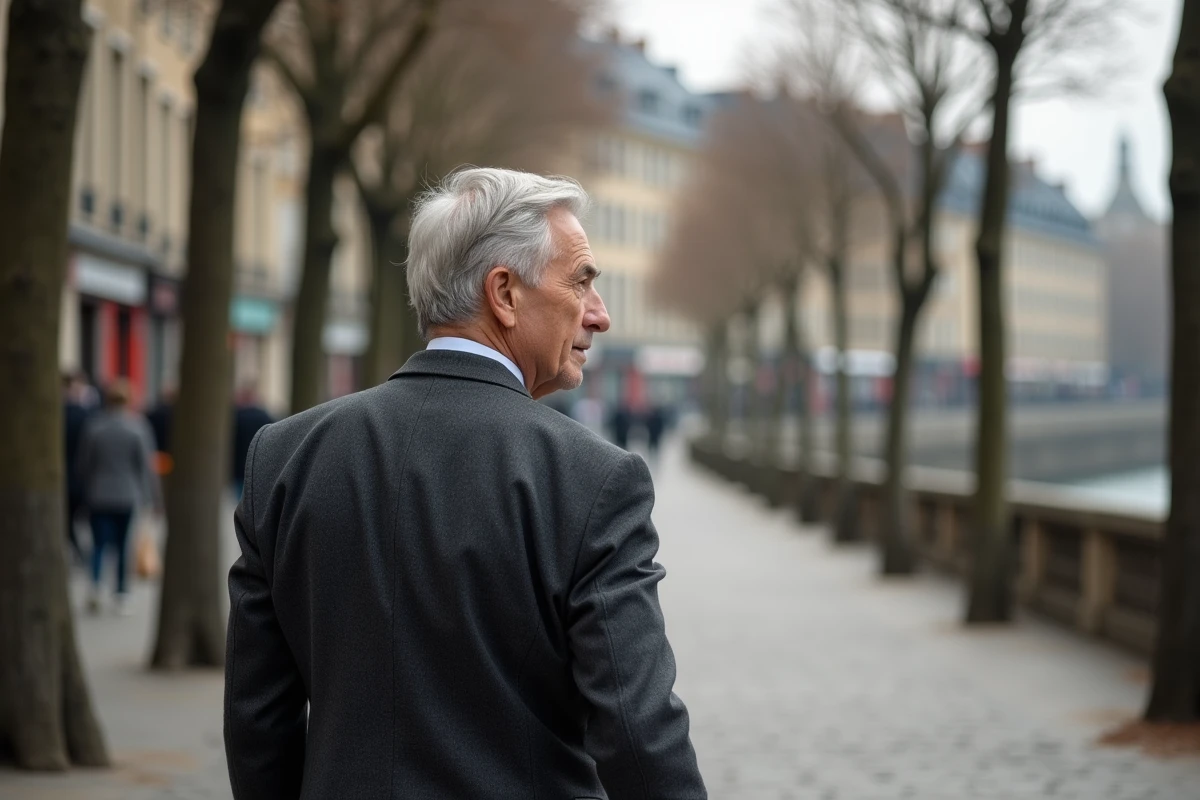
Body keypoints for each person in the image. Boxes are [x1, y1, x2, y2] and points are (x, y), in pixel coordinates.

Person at [224, 168, 706, 798]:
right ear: (503, 293)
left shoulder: (284, 459)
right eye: (581, 281)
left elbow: (257, 720)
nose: (601, 315)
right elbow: (639, 732)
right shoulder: (592, 480)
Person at [75, 379, 162, 615]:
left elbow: (84, 463)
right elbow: (145, 468)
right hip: (127, 495)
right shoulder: (137, 428)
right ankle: (121, 593)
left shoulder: (94, 427)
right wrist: (152, 500)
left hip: (98, 494)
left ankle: (95, 586)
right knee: (123, 545)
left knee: (99, 544)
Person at [62, 371, 94, 563]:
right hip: (83, 476)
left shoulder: (64, 413)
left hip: (72, 474)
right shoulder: (90, 416)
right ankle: (83, 554)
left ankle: (80, 553)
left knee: (69, 519)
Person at [231, 385, 273, 499]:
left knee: (240, 499)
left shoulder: (236, 417)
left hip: (239, 466)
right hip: (259, 465)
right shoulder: (264, 416)